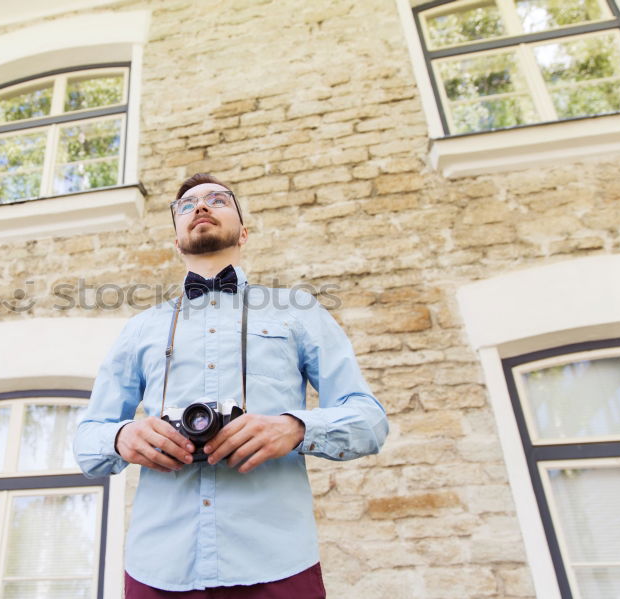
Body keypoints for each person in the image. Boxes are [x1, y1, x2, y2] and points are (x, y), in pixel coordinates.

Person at [73, 173, 388, 598]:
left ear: (244, 232)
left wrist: (295, 428)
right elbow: (87, 438)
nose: (200, 206)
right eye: (186, 205)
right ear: (176, 240)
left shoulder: (298, 311)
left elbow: (370, 420)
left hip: (278, 561)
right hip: (158, 566)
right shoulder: (139, 329)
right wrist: (123, 436)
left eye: (217, 199)